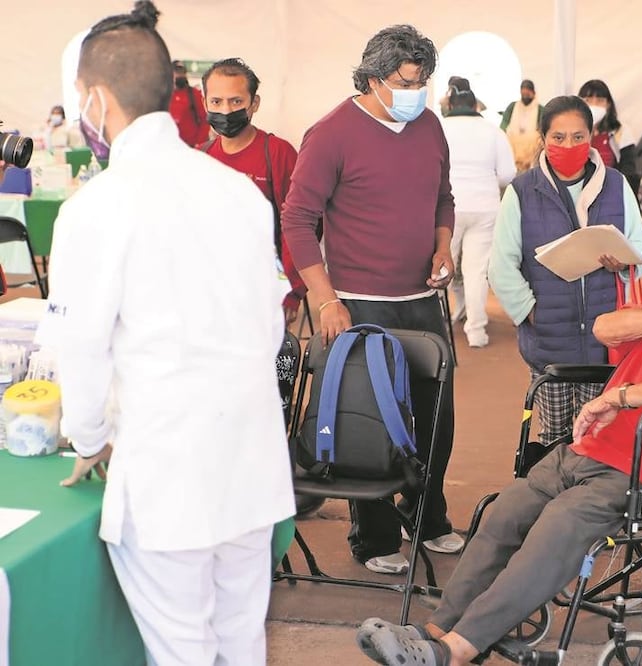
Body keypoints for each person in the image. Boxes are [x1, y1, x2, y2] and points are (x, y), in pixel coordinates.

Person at [357, 233, 642, 666]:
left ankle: (457, 649)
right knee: (504, 514)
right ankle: (438, 628)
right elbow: (607, 326)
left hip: (641, 469)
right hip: (585, 451)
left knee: (553, 531)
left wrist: (616, 397)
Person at [45, 2, 295, 664]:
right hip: (251, 461)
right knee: (241, 641)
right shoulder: (240, 194)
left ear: (96, 98)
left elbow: (81, 346)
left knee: (183, 650)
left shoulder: (95, 206)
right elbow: (271, 323)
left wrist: (90, 436)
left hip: (168, 473)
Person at [280, 24, 462, 575]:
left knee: (435, 418)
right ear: (375, 78)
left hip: (423, 301)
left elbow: (444, 199)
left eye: (424, 81)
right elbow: (297, 219)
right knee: (373, 425)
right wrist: (326, 299)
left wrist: (443, 247)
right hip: (359, 304)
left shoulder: (429, 126)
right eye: (408, 81)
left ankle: (427, 516)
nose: (418, 92)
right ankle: (375, 535)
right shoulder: (331, 133)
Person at [488, 95, 642, 450]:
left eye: (578, 136)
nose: (569, 145)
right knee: (554, 438)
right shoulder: (523, 191)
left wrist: (625, 261)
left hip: (604, 341)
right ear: (543, 139)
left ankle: (586, 504)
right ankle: (554, 501)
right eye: (558, 137)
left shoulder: (615, 184)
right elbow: (501, 264)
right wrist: (533, 313)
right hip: (549, 345)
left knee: (600, 437)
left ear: (592, 136)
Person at [201, 57, 306, 324]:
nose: (225, 110)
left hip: (264, 294)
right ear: (205, 103)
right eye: (216, 101)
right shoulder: (199, 157)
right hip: (211, 294)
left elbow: (298, 226)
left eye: (236, 101)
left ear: (254, 104)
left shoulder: (278, 153)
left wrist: (290, 292)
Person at [442, 87, 515, 348]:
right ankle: (476, 331)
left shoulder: (439, 127)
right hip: (485, 206)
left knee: (441, 265)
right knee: (476, 271)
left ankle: (440, 322)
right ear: (476, 106)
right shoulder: (493, 131)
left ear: (450, 105)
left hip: (447, 207)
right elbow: (508, 173)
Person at [578, 79, 639, 193]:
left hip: (610, 191)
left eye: (600, 100)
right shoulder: (573, 132)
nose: (594, 105)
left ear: (608, 104)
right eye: (588, 100)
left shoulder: (620, 131)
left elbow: (630, 170)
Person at [500, 79, 544, 173]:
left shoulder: (540, 109)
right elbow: (504, 124)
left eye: (527, 93)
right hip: (513, 147)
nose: (525, 95)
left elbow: (542, 127)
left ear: (533, 93)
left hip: (531, 150)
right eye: (523, 92)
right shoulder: (512, 106)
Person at [169, 60, 209, 147]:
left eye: (182, 73)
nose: (179, 75)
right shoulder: (165, 95)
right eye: (176, 72)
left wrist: (199, 142)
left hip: (190, 146)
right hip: (169, 145)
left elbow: (205, 120)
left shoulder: (194, 94)